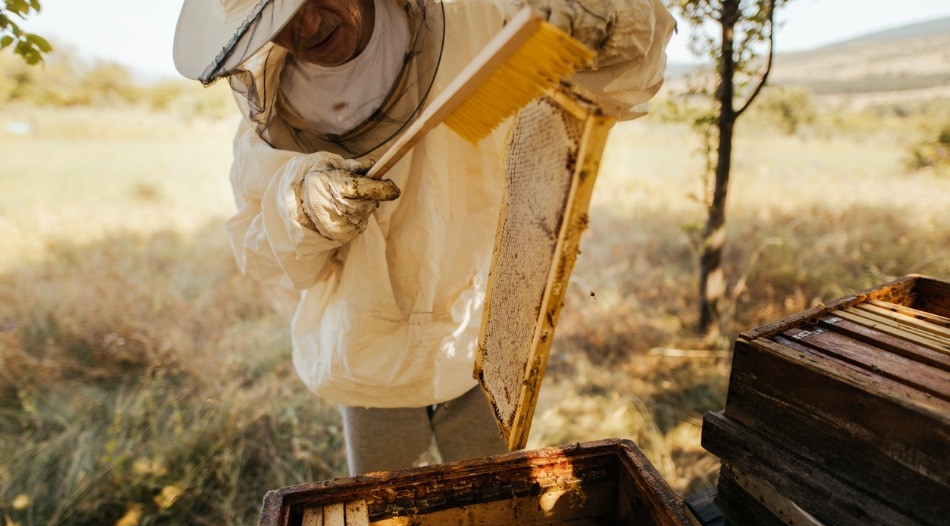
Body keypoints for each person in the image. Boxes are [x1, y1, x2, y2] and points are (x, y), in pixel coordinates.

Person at [173, 0, 674, 475]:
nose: (304, 28)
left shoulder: (473, 16)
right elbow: (260, 255)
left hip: (485, 343)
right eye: (277, 17)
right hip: (370, 365)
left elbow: (629, 78)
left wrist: (612, 21)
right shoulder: (272, 117)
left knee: (495, 511)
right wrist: (303, 209)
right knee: (383, 514)